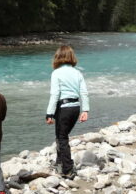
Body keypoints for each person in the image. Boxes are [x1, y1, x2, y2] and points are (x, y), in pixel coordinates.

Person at [46, 45, 89, 179]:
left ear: (58, 57)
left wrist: (49, 113)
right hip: (75, 108)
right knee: (61, 135)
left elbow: (55, 94)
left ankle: (67, 169)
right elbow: (84, 92)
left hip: (63, 108)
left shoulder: (56, 73)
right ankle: (59, 162)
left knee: (62, 138)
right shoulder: (78, 72)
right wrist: (85, 110)